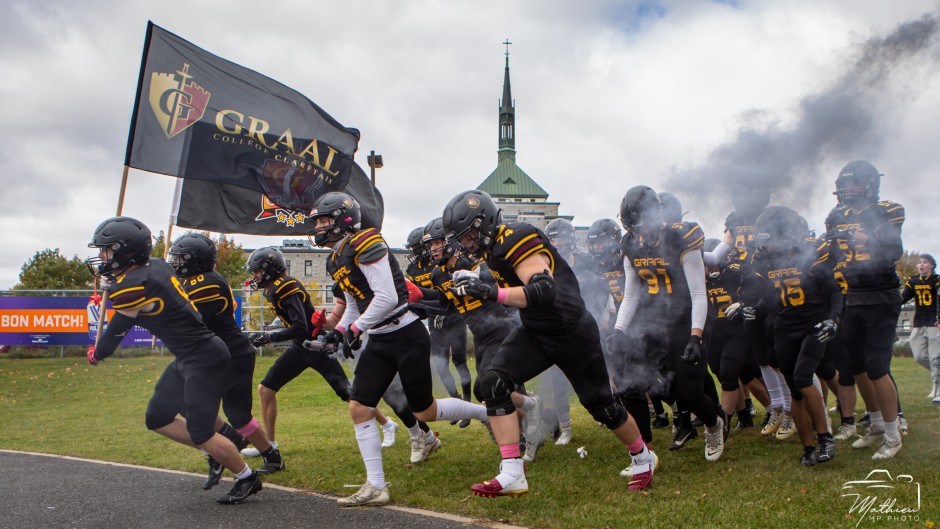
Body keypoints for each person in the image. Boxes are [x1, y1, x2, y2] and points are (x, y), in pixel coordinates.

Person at [442, 190, 656, 496]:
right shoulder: (493, 250)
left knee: (602, 407)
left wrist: (489, 292)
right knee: (492, 384)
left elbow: (543, 292)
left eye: (468, 235)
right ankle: (512, 473)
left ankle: (643, 457)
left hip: (572, 333)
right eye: (461, 238)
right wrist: (479, 282)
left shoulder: (517, 238)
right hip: (536, 330)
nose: (465, 243)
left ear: (484, 223)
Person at [309, 192, 488, 507]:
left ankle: (487, 414)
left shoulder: (366, 242)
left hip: (406, 334)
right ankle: (376, 486)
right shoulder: (335, 258)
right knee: (359, 406)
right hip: (380, 338)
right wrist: (338, 332)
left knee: (425, 411)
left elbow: (388, 297)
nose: (319, 227)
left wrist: (356, 329)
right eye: (318, 222)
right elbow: (354, 304)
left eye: (324, 220)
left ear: (343, 220)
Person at [85, 216, 261, 505]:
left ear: (125, 251)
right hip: (191, 355)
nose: (103, 256)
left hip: (203, 357)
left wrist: (98, 352)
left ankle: (246, 477)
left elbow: (116, 330)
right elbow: (140, 291)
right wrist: (114, 282)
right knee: (157, 417)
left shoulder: (131, 287)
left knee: (201, 432)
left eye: (107, 250)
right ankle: (229, 439)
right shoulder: (155, 265)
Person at [607, 186, 725, 462]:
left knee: (689, 393)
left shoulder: (680, 238)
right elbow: (631, 294)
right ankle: (643, 451)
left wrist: (695, 336)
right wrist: (619, 330)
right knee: (630, 384)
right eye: (634, 227)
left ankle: (714, 424)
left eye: (643, 224)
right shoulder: (630, 244)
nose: (640, 232)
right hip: (652, 320)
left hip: (685, 319)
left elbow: (698, 294)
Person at [167, 233, 284, 489]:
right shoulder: (194, 280)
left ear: (196, 260)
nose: (176, 263)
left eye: (181, 258)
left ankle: (268, 455)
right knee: (187, 403)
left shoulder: (207, 282)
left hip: (231, 354)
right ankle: (232, 442)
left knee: (237, 415)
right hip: (214, 354)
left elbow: (184, 316)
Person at [735, 207, 841, 466]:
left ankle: (825, 437)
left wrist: (834, 319)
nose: (765, 246)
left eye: (769, 239)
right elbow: (771, 297)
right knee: (795, 390)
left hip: (813, 325)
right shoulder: (767, 261)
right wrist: (753, 308)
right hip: (785, 325)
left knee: (804, 377)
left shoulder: (811, 254)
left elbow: (835, 292)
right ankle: (808, 448)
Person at [826, 160, 905, 460]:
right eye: (844, 184)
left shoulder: (886, 210)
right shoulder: (838, 215)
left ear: (870, 184)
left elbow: (893, 250)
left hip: (881, 294)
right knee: (856, 365)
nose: (848, 189)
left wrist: (857, 236)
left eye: (853, 183)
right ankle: (876, 424)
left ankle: (893, 435)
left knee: (877, 366)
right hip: (852, 295)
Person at [421, 218, 474, 411]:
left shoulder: (467, 263)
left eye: (437, 242)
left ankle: (467, 403)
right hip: (447, 321)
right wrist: (414, 298)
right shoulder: (437, 273)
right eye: (430, 245)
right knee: (440, 364)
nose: (433, 248)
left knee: (462, 363)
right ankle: (459, 403)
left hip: (474, 322)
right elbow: (443, 301)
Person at [900, 254, 939, 397]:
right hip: (919, 322)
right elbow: (903, 298)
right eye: (920, 262)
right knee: (919, 356)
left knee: (935, 357)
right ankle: (938, 377)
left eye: (925, 262)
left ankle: (936, 387)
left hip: (934, 322)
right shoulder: (913, 281)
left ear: (932, 265)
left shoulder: (937, 280)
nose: (921, 265)